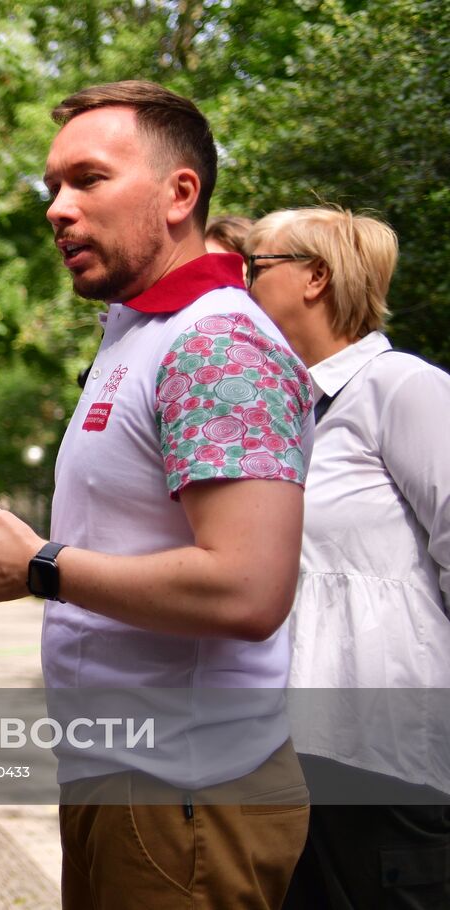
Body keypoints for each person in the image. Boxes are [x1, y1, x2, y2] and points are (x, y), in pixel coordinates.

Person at [0, 82, 314, 908]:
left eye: (88, 180)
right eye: (52, 186)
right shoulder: (139, 332)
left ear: (179, 194)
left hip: (189, 789)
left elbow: (249, 588)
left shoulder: (216, 342)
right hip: (125, 776)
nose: (57, 208)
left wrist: (38, 567)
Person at [243, 206, 450, 908]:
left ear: (316, 277)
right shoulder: (280, 411)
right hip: (291, 756)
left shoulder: (404, 388)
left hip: (389, 752)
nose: (239, 285)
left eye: (255, 266)